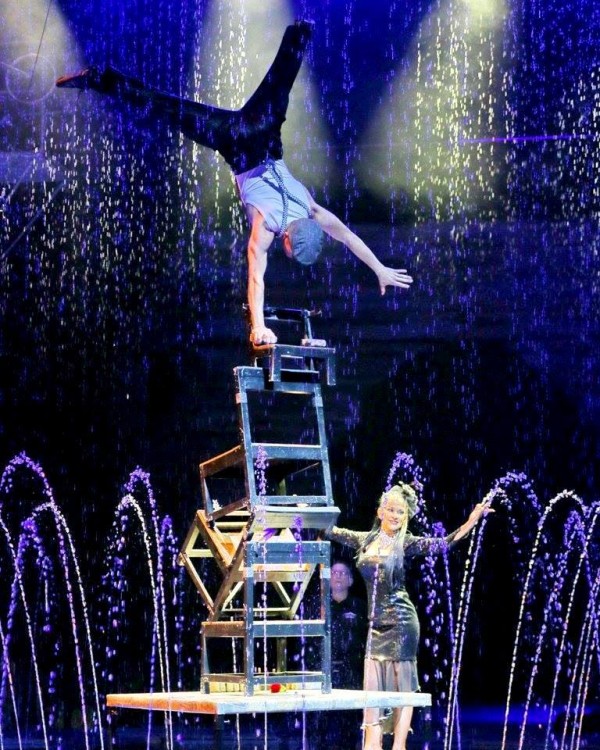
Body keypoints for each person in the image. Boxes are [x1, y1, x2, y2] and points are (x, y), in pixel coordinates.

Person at [55, 21, 413, 345]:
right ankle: (101, 79)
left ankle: (302, 31)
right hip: (236, 144)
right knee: (167, 108)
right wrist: (258, 327)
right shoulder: (267, 227)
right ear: (287, 238)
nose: (283, 253)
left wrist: (380, 267)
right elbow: (256, 279)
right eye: (287, 251)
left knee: (282, 79)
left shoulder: (311, 207)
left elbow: (348, 236)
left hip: (264, 133)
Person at [325, 483, 493, 750]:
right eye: (391, 510)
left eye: (401, 512)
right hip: (375, 624)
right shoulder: (364, 539)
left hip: (402, 623)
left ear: (406, 516)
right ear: (380, 511)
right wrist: (301, 514)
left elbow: (443, 544)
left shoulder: (406, 543)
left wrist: (472, 521)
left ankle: (399, 745)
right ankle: (372, 743)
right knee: (372, 686)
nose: (395, 516)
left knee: (402, 687)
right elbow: (330, 531)